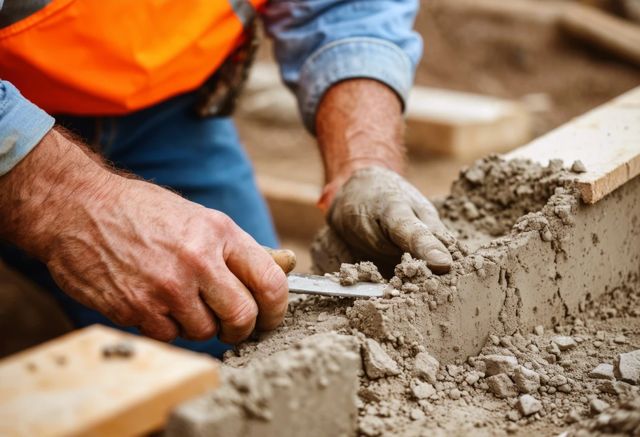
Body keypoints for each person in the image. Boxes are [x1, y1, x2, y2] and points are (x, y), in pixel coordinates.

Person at [0, 0, 453, 357]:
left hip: (167, 107)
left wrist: (364, 161)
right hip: (13, 106)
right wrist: (70, 199)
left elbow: (345, 8)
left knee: (246, 325)